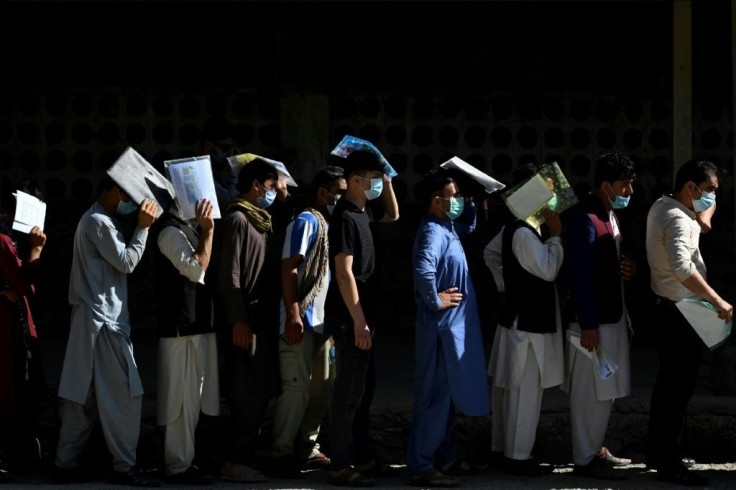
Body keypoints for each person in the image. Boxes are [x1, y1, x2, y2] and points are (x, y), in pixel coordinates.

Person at [53, 177, 160, 487]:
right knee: (125, 395)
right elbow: (126, 262)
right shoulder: (99, 221)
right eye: (131, 196)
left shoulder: (97, 218)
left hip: (91, 321)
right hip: (104, 324)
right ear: (117, 191)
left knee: (81, 399)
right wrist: (144, 227)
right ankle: (124, 467)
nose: (135, 205)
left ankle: (65, 463)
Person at [645, 159, 733, 486]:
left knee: (668, 388)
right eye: (709, 191)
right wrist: (718, 300)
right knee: (676, 391)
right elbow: (683, 269)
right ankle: (669, 463)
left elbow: (703, 220)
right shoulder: (678, 220)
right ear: (690, 188)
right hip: (681, 313)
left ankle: (660, 453)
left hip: (668, 309)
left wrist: (706, 211)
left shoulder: (665, 206)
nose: (712, 198)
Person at [406, 169, 489, 488]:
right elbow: (423, 268)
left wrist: (473, 202)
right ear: (436, 200)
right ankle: (421, 465)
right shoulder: (432, 231)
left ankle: (443, 456)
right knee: (434, 396)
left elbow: (466, 225)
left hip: (451, 328)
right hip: (439, 328)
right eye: (454, 197)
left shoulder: (446, 227)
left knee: (447, 395)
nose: (458, 201)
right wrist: (434, 298)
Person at [264, 166, 346, 479]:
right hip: (302, 321)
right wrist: (295, 313)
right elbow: (289, 267)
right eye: (338, 192)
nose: (342, 197)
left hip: (324, 325)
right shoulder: (307, 221)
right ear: (323, 193)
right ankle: (281, 452)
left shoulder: (331, 223)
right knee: (296, 390)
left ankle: (307, 447)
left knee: (321, 390)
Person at [324, 149, 398, 487]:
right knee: (348, 394)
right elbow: (344, 274)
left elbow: (394, 215)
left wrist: (387, 179)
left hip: (365, 318)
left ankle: (362, 457)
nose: (378, 185)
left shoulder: (363, 212)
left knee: (364, 392)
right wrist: (358, 321)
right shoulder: (343, 217)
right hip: (351, 320)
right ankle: (339, 464)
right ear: (355, 180)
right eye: (372, 178)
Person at [484, 162, 563, 477]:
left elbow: (490, 255)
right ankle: (517, 457)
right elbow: (547, 269)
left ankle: (506, 451)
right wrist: (557, 238)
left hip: (520, 320)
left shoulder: (518, 226)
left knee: (513, 390)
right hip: (527, 326)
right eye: (545, 191)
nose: (551, 198)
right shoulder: (523, 232)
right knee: (523, 392)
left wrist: (506, 285)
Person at [562, 152, 637, 480]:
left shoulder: (608, 214)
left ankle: (594, 448)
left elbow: (607, 262)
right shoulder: (584, 217)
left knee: (604, 390)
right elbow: (579, 274)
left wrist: (627, 268)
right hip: (594, 322)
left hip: (612, 316)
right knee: (588, 392)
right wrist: (588, 323)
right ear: (606, 185)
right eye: (625, 185)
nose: (630, 191)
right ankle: (584, 458)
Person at [217, 157, 281, 483]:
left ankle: (246, 455)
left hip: (261, 319)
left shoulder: (261, 220)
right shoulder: (238, 219)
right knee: (245, 391)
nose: (273, 193)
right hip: (245, 323)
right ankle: (234, 460)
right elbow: (230, 276)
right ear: (256, 186)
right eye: (270, 187)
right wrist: (238, 320)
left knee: (261, 388)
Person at [152, 198, 218, 485]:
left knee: (194, 399)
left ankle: (186, 460)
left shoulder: (188, 227)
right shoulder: (169, 231)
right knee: (179, 400)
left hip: (196, 326)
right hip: (180, 329)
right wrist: (208, 232)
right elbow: (195, 270)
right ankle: (177, 465)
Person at [0, 179, 47, 482]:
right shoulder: (3, 240)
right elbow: (23, 283)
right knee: (9, 388)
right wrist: (37, 250)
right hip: (7, 327)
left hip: (11, 321)